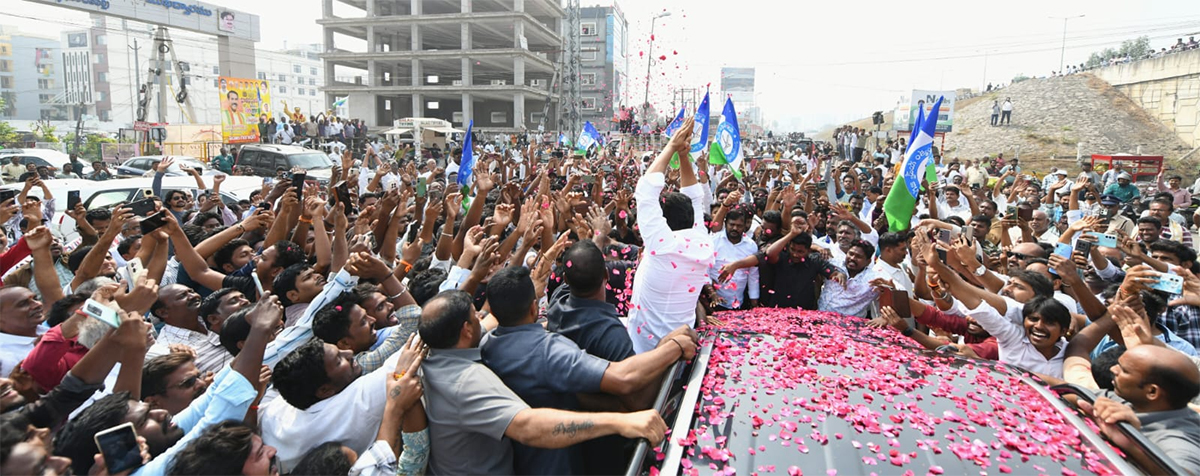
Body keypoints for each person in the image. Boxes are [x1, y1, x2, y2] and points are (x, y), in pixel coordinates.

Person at [417, 289, 668, 474]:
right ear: (465, 330)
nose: (480, 319)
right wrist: (620, 422)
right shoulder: (467, 382)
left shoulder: (428, 357)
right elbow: (527, 426)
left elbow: (490, 320)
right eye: (475, 316)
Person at [626, 116, 713, 353]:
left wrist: (672, 146)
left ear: (663, 222)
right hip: (680, 348)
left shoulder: (661, 246)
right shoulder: (703, 242)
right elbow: (695, 198)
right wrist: (683, 157)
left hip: (646, 352)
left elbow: (646, 191)